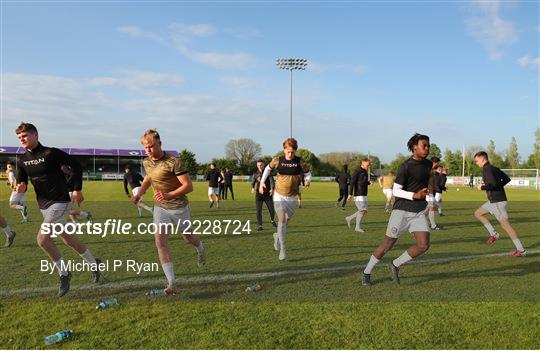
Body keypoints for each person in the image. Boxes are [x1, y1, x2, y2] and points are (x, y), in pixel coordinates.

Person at [15, 122, 101, 297]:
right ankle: (94, 263)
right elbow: (21, 181)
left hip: (60, 201)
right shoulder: (21, 160)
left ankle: (64, 273)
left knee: (42, 239)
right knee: (67, 238)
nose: (21, 140)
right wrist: (20, 187)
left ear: (35, 135)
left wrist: (77, 188)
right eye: (19, 137)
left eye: (24, 136)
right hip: (43, 205)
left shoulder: (51, 153)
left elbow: (76, 165)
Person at [134, 129, 206, 295]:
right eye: (145, 147)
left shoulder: (174, 162)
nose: (148, 150)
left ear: (160, 143)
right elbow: (148, 178)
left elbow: (188, 186)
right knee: (160, 242)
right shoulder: (147, 162)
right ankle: (172, 283)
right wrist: (140, 192)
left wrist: (169, 194)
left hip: (179, 207)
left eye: (151, 146)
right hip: (160, 208)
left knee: (188, 238)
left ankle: (200, 248)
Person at [362, 133, 432, 286]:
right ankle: (367, 272)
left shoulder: (428, 165)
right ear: (414, 148)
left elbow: (423, 185)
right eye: (424, 145)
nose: (427, 148)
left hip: (418, 211)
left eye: (428, 145)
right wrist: (415, 195)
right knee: (388, 244)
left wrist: (427, 197)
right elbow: (396, 191)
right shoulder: (405, 166)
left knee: (423, 245)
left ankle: (395, 264)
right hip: (402, 211)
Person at [259, 138, 311, 260]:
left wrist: (308, 180)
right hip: (279, 195)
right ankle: (282, 249)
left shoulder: (300, 162)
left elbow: (308, 173)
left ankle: (277, 235)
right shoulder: (278, 160)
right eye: (288, 151)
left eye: (292, 152)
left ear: (295, 151)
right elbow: (267, 169)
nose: (290, 154)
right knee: (281, 219)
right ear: (284, 150)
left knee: (285, 221)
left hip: (292, 197)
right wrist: (262, 182)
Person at [473, 151, 526, 257]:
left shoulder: (487, 169)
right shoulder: (494, 168)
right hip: (494, 201)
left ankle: (521, 250)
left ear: (483, 159)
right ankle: (494, 233)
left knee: (506, 226)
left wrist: (482, 187)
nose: (476, 163)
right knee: (478, 213)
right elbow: (507, 179)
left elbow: (492, 184)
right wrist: (498, 186)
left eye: (477, 160)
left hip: (497, 201)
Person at [346, 159, 371, 233]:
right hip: (358, 194)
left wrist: (368, 183)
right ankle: (357, 227)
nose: (369, 166)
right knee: (362, 210)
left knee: (364, 211)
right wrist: (350, 194)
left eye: (369, 165)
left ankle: (349, 218)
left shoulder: (364, 172)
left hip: (364, 194)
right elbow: (352, 183)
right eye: (368, 165)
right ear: (363, 163)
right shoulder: (357, 171)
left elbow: (363, 181)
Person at [251, 160, 277, 231]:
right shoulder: (255, 174)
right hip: (259, 195)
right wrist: (252, 188)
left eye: (261, 165)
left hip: (267, 194)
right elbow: (253, 182)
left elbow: (272, 181)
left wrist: (272, 188)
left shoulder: (268, 173)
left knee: (271, 210)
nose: (260, 166)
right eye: (258, 165)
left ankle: (272, 220)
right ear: (257, 165)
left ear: (263, 165)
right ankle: (260, 225)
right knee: (258, 210)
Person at [426, 157, 442, 230]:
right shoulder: (427, 169)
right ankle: (433, 225)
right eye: (438, 163)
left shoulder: (431, 170)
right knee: (432, 208)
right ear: (435, 162)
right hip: (428, 192)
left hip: (430, 192)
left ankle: (414, 220)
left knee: (430, 208)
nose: (439, 164)